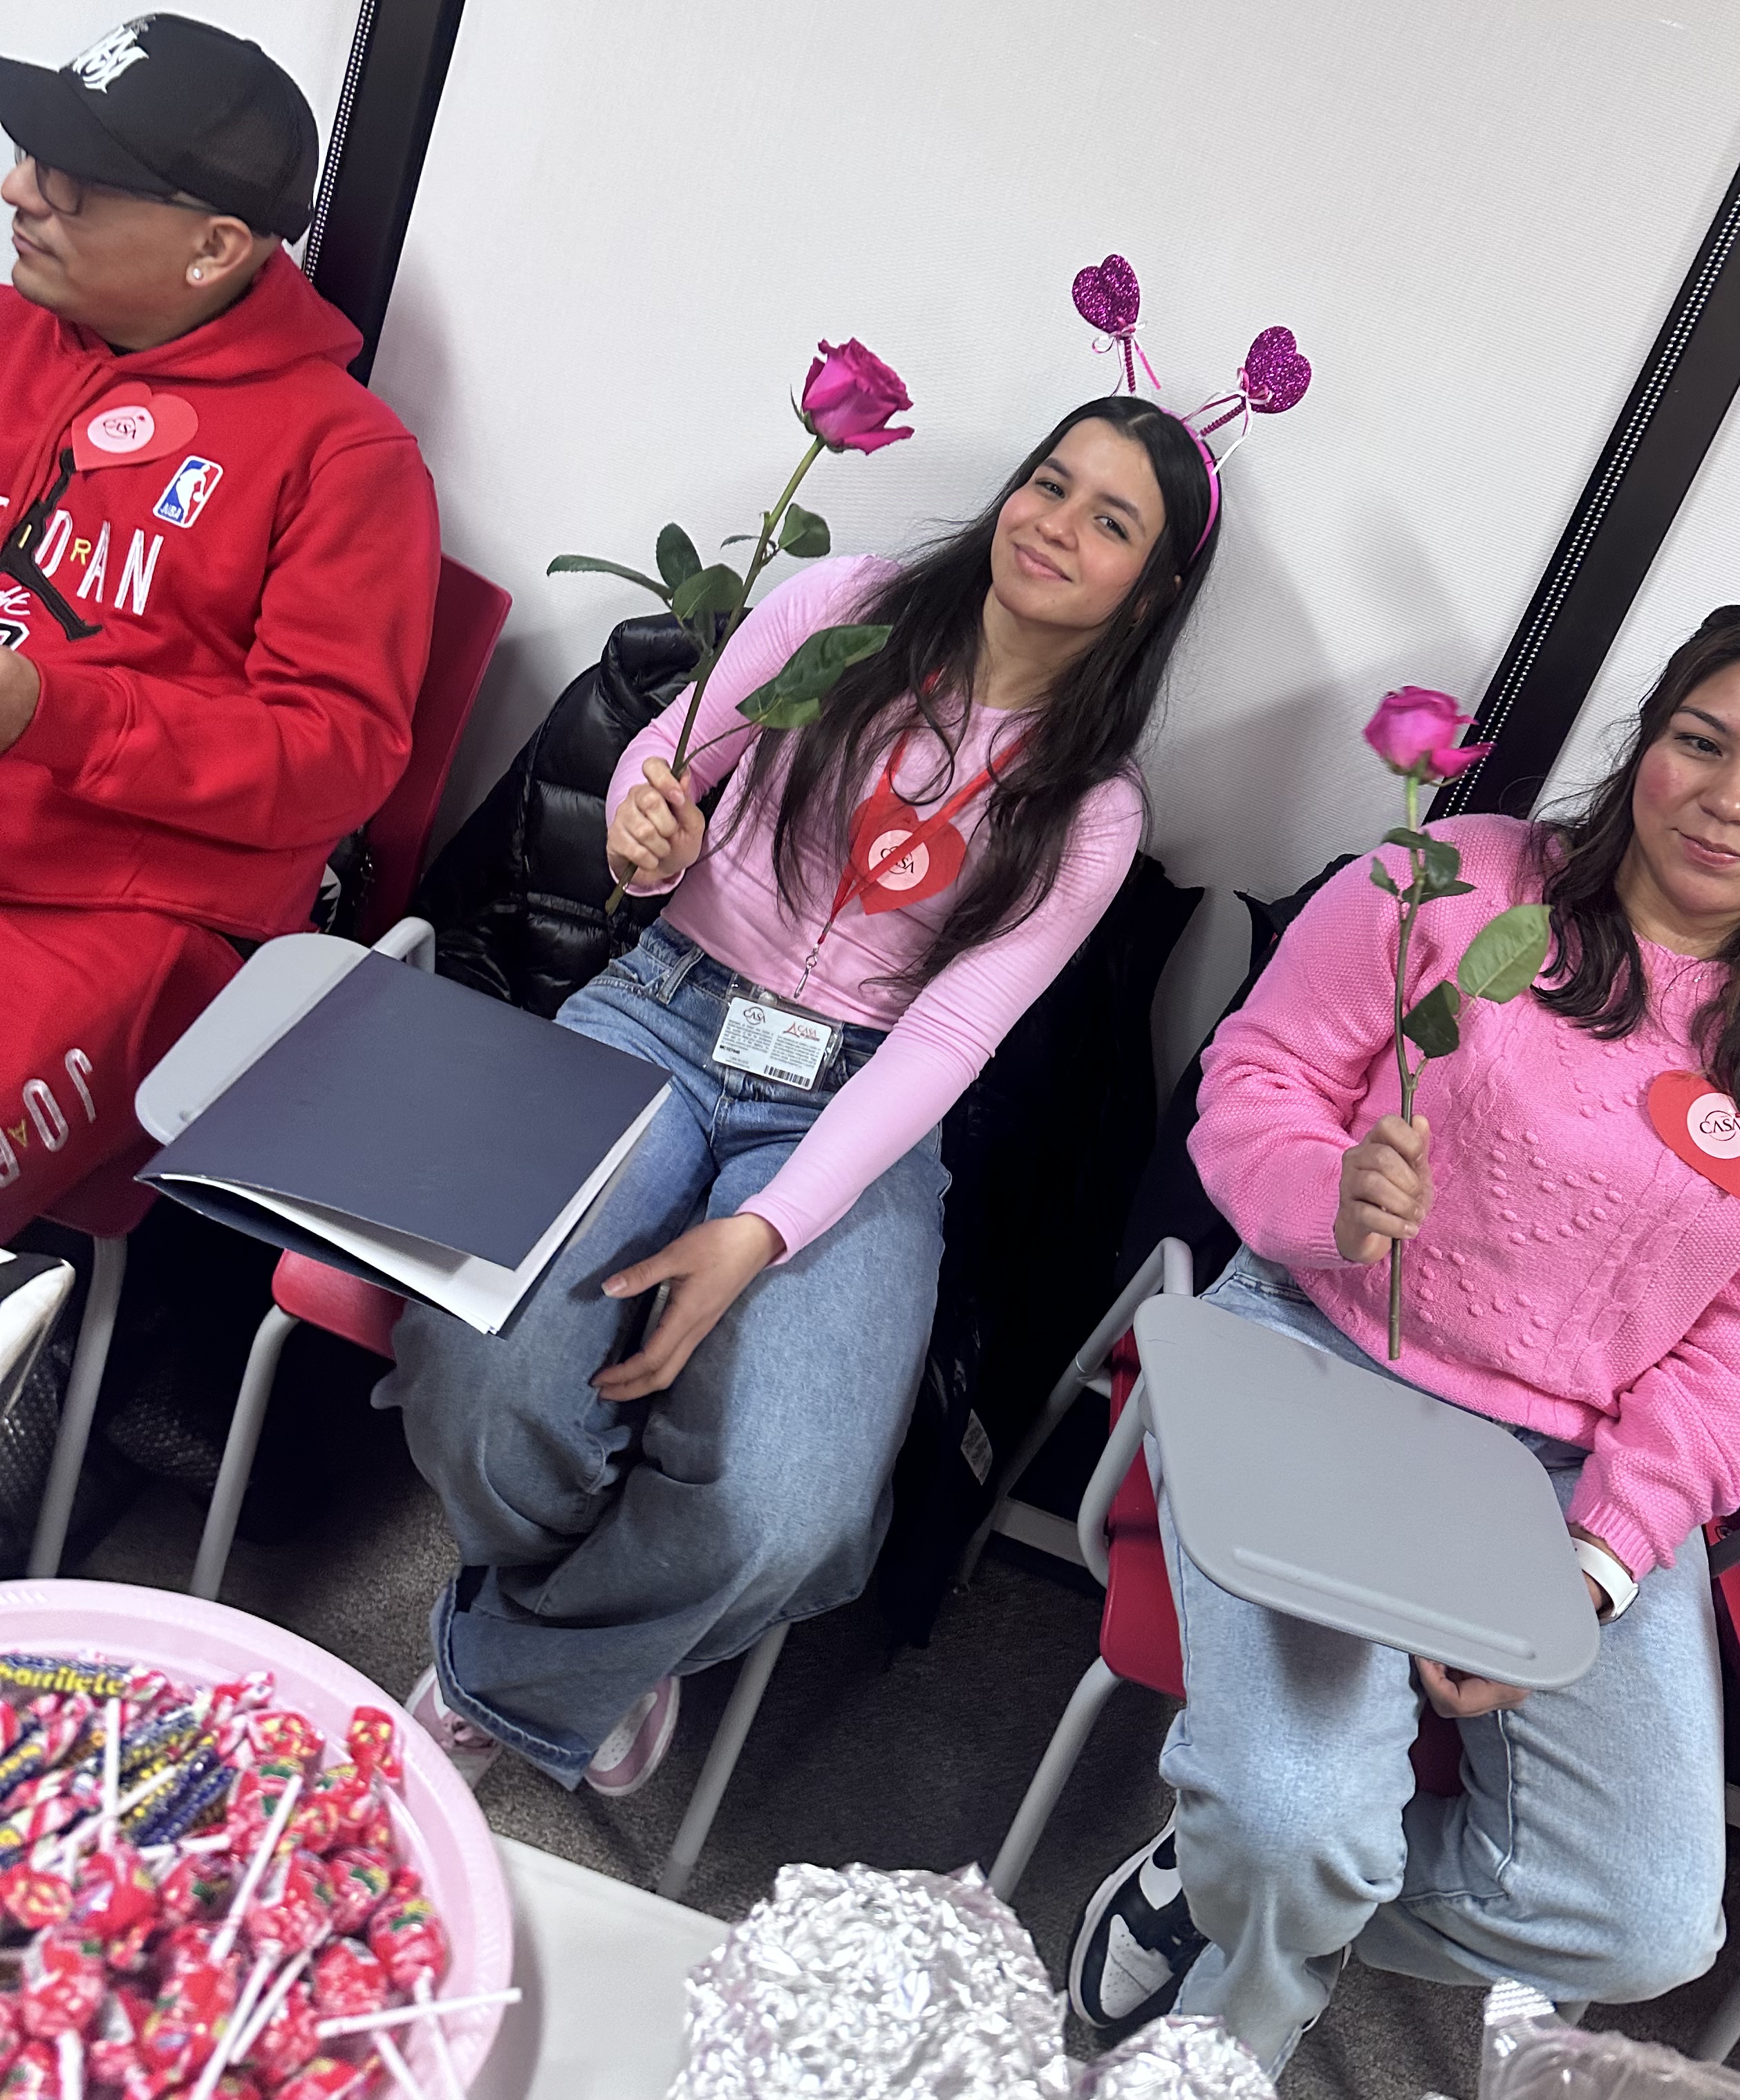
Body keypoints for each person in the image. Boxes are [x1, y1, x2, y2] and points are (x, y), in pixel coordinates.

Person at [1070, 600, 1740, 2072]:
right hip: (1322, 1352)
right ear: (1645, 746)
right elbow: (1257, 1080)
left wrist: (1591, 1567)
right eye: (1702, 742)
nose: (1733, 798)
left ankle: (1215, 1894)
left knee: (1644, 1923)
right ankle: (1228, 2022)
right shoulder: (1453, 884)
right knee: (1293, 1818)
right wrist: (1329, 1192)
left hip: (1571, 1467)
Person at [385, 393, 1224, 1796]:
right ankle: (606, 1643)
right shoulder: (849, 610)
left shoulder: (1092, 806)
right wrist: (650, 831)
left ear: (1150, 594)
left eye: (1110, 521)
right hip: (663, 1008)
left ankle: (513, 1671)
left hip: (858, 1101)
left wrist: (766, 1229)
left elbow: (948, 1039)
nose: (1055, 527)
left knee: (791, 1509)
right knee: (479, 1367)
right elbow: (671, 765)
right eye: (1049, 484)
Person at [0, 14, 439, 1211]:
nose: (20, 192)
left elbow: (336, 756)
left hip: (116, 911)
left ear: (214, 247)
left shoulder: (345, 459)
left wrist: (48, 710)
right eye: (31, 155)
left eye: (73, 183)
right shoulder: (12, 335)